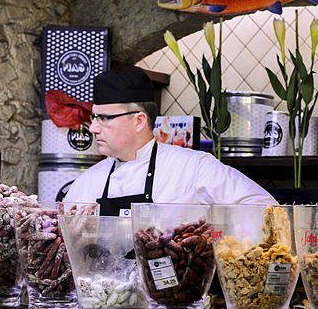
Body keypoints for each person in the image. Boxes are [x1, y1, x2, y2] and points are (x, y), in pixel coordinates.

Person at [63, 66, 274, 215]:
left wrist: (213, 240)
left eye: (103, 118)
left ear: (139, 121)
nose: (93, 128)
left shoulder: (194, 167)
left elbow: (264, 208)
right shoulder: (87, 182)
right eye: (93, 117)